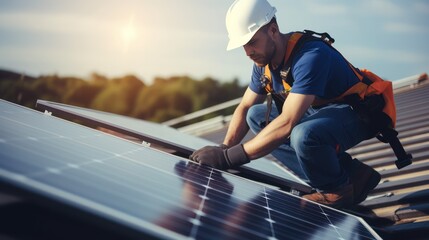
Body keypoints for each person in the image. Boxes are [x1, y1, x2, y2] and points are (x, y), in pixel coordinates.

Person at [190, 0, 380, 209]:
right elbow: (244, 107)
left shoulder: (310, 56)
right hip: (321, 113)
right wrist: (223, 148)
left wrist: (228, 158)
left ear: (273, 30)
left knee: (303, 135)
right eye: (243, 45)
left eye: (252, 41)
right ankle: (350, 172)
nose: (247, 52)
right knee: (256, 115)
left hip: (358, 112)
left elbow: (288, 122)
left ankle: (337, 190)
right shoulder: (263, 63)